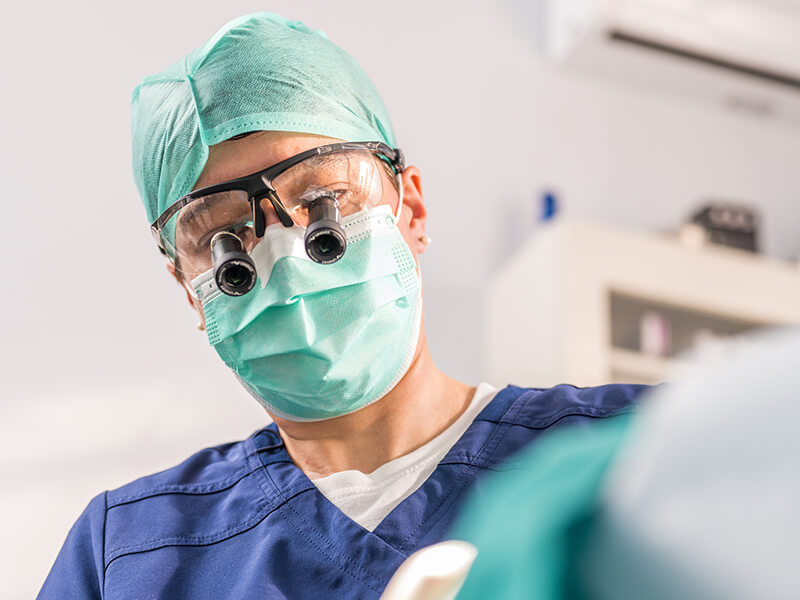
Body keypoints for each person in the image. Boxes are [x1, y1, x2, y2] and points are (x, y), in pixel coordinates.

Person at [37, 13, 649, 599]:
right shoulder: (127, 553)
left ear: (410, 210)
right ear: (190, 289)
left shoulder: (635, 452)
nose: (284, 255)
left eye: (324, 199)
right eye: (224, 238)